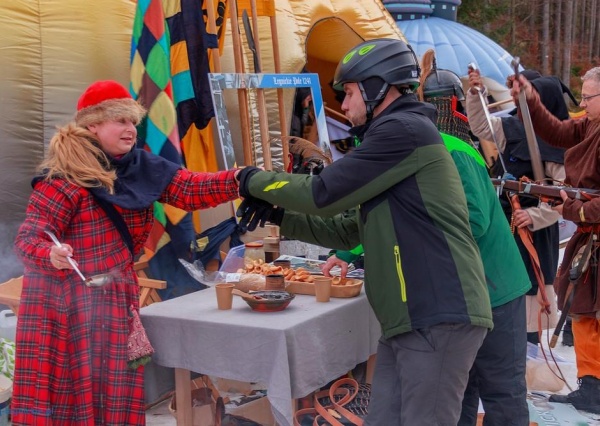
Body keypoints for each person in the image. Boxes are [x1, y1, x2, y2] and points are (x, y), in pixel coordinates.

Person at [237, 38, 493, 426]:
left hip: (437, 314)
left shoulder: (403, 132)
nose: (346, 104)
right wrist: (279, 214)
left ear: (378, 89)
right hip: (407, 320)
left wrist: (252, 180)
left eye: (351, 93)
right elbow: (345, 230)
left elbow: (323, 193)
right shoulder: (394, 140)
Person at [12, 80, 242, 424]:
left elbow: (191, 190)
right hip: (63, 306)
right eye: (120, 120)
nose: (130, 129)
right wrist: (51, 253)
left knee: (114, 396)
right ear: (93, 125)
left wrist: (242, 179)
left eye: (133, 121)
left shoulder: (140, 166)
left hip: (113, 299)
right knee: (70, 400)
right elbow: (29, 237)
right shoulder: (65, 178)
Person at [323, 54, 533, 426]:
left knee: (502, 394)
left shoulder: (454, 151)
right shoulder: (411, 145)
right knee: (458, 394)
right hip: (458, 298)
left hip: (495, 290)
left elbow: (472, 219)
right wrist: (350, 252)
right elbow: (385, 212)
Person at [511, 67, 600, 414]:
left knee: (590, 312)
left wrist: (572, 207)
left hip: (593, 229)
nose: (583, 104)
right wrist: (529, 97)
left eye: (589, 97)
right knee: (583, 312)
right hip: (589, 234)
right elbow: (556, 130)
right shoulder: (590, 124)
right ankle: (591, 386)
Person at [466, 68, 573, 345]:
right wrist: (476, 93)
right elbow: (481, 125)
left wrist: (534, 215)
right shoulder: (513, 127)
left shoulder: (557, 143)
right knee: (498, 292)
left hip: (531, 231)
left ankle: (527, 361)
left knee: (528, 303)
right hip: (503, 224)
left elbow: (562, 195)